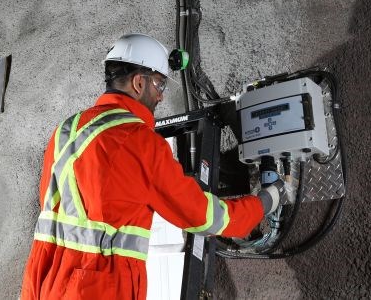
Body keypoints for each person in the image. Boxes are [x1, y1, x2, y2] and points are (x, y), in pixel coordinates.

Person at [20, 33, 285, 300]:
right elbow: (203, 215)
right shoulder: (139, 142)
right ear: (138, 82)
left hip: (41, 281)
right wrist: (265, 201)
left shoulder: (66, 130)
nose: (160, 97)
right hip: (94, 287)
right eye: (159, 85)